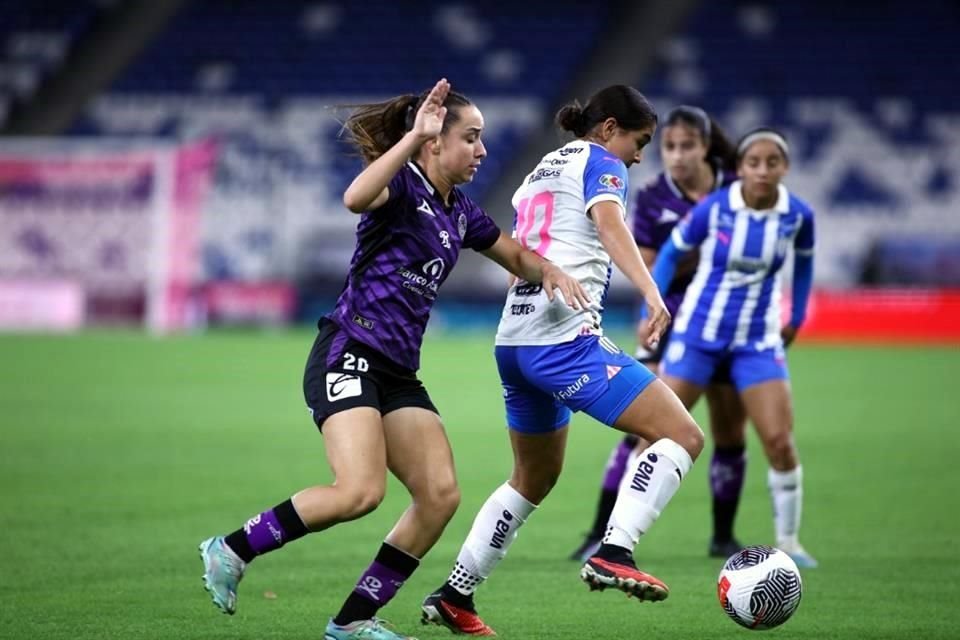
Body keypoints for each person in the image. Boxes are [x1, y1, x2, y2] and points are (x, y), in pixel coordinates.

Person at [196, 78, 589, 640]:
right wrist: (409, 142)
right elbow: (354, 198)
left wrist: (549, 269)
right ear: (433, 140)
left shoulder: (461, 212)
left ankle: (352, 621)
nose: (481, 151)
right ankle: (230, 549)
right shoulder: (401, 184)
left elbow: (514, 253)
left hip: (397, 372)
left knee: (439, 495)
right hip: (348, 352)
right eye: (471, 138)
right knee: (359, 491)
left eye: (483, 140)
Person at [420, 85, 705, 637]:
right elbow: (609, 224)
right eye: (638, 141)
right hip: (563, 341)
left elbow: (521, 255)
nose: (639, 156)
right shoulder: (603, 163)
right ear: (608, 129)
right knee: (684, 436)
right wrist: (651, 292)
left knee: (533, 476)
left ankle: (456, 592)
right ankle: (616, 549)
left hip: (514, 341)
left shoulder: (541, 170)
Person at [571, 106, 749, 563]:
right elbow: (648, 265)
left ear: (706, 148)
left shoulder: (735, 191)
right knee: (646, 429)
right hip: (667, 321)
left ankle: (723, 536)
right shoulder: (652, 198)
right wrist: (699, 249)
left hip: (727, 322)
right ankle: (600, 530)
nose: (676, 156)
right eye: (668, 147)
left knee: (730, 428)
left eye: (686, 146)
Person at [649, 127, 818, 569]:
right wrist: (656, 305)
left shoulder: (798, 215)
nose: (762, 170)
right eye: (754, 162)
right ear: (739, 167)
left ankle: (790, 542)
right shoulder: (716, 208)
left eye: (772, 162)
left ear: (785, 167)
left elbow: (803, 267)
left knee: (779, 442)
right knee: (653, 431)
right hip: (697, 336)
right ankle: (618, 538)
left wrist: (796, 317)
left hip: (757, 343)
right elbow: (668, 255)